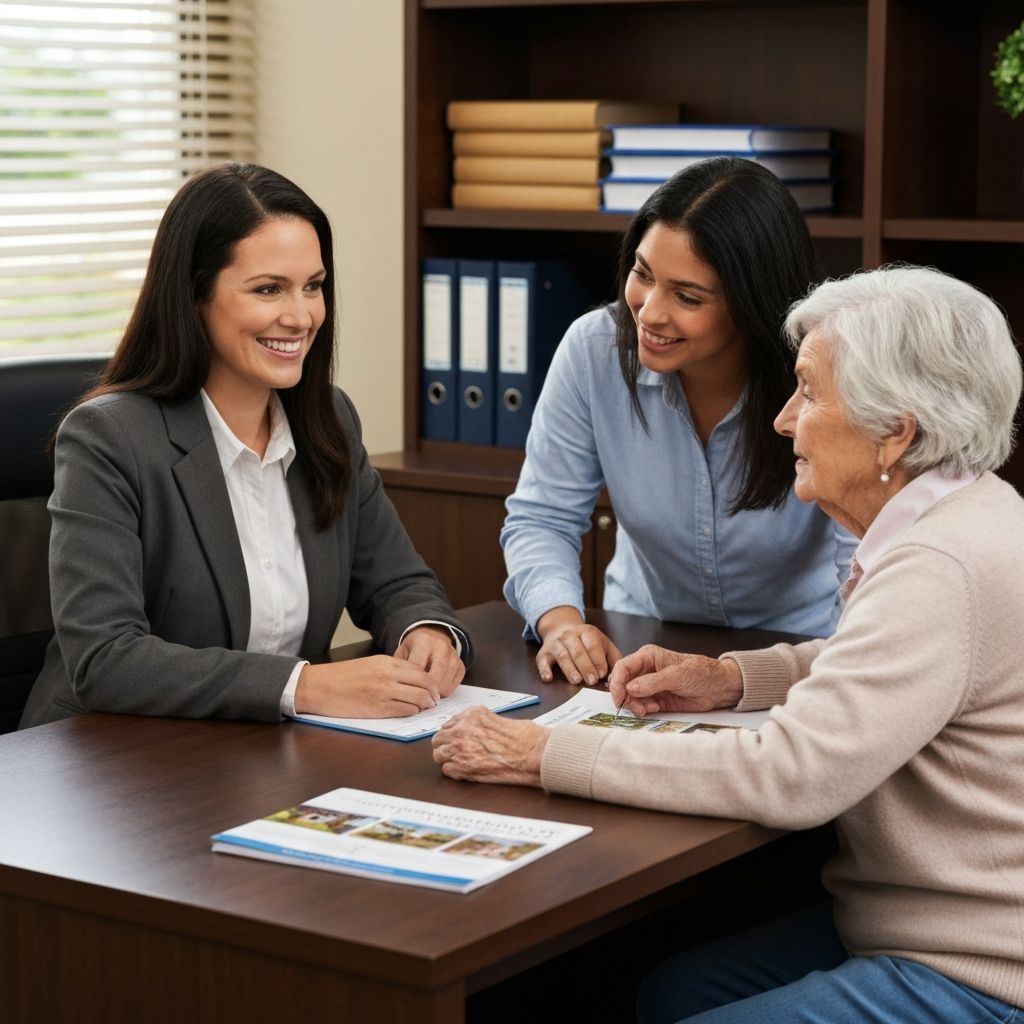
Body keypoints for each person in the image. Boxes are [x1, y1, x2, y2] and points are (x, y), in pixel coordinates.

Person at [433, 265, 1024, 1022]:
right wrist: (733, 679)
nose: (782, 419)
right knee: (673, 992)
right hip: (915, 923)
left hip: (973, 968)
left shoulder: (938, 567)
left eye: (809, 391)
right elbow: (892, 666)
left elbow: (791, 775)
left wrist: (539, 755)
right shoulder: (968, 512)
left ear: (896, 432)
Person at [21, 163, 471, 729]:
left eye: (313, 286)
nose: (300, 316)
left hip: (254, 749)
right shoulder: (109, 439)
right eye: (268, 289)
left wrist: (425, 630)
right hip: (111, 761)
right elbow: (106, 658)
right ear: (194, 296)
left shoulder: (328, 419)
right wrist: (303, 684)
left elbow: (397, 581)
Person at [501, 157, 854, 688]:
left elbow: (865, 555)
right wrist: (561, 623)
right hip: (641, 650)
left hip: (796, 662)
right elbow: (542, 517)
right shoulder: (594, 349)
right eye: (642, 274)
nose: (649, 312)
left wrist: (844, 673)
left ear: (753, 302)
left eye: (687, 297)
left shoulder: (828, 370)